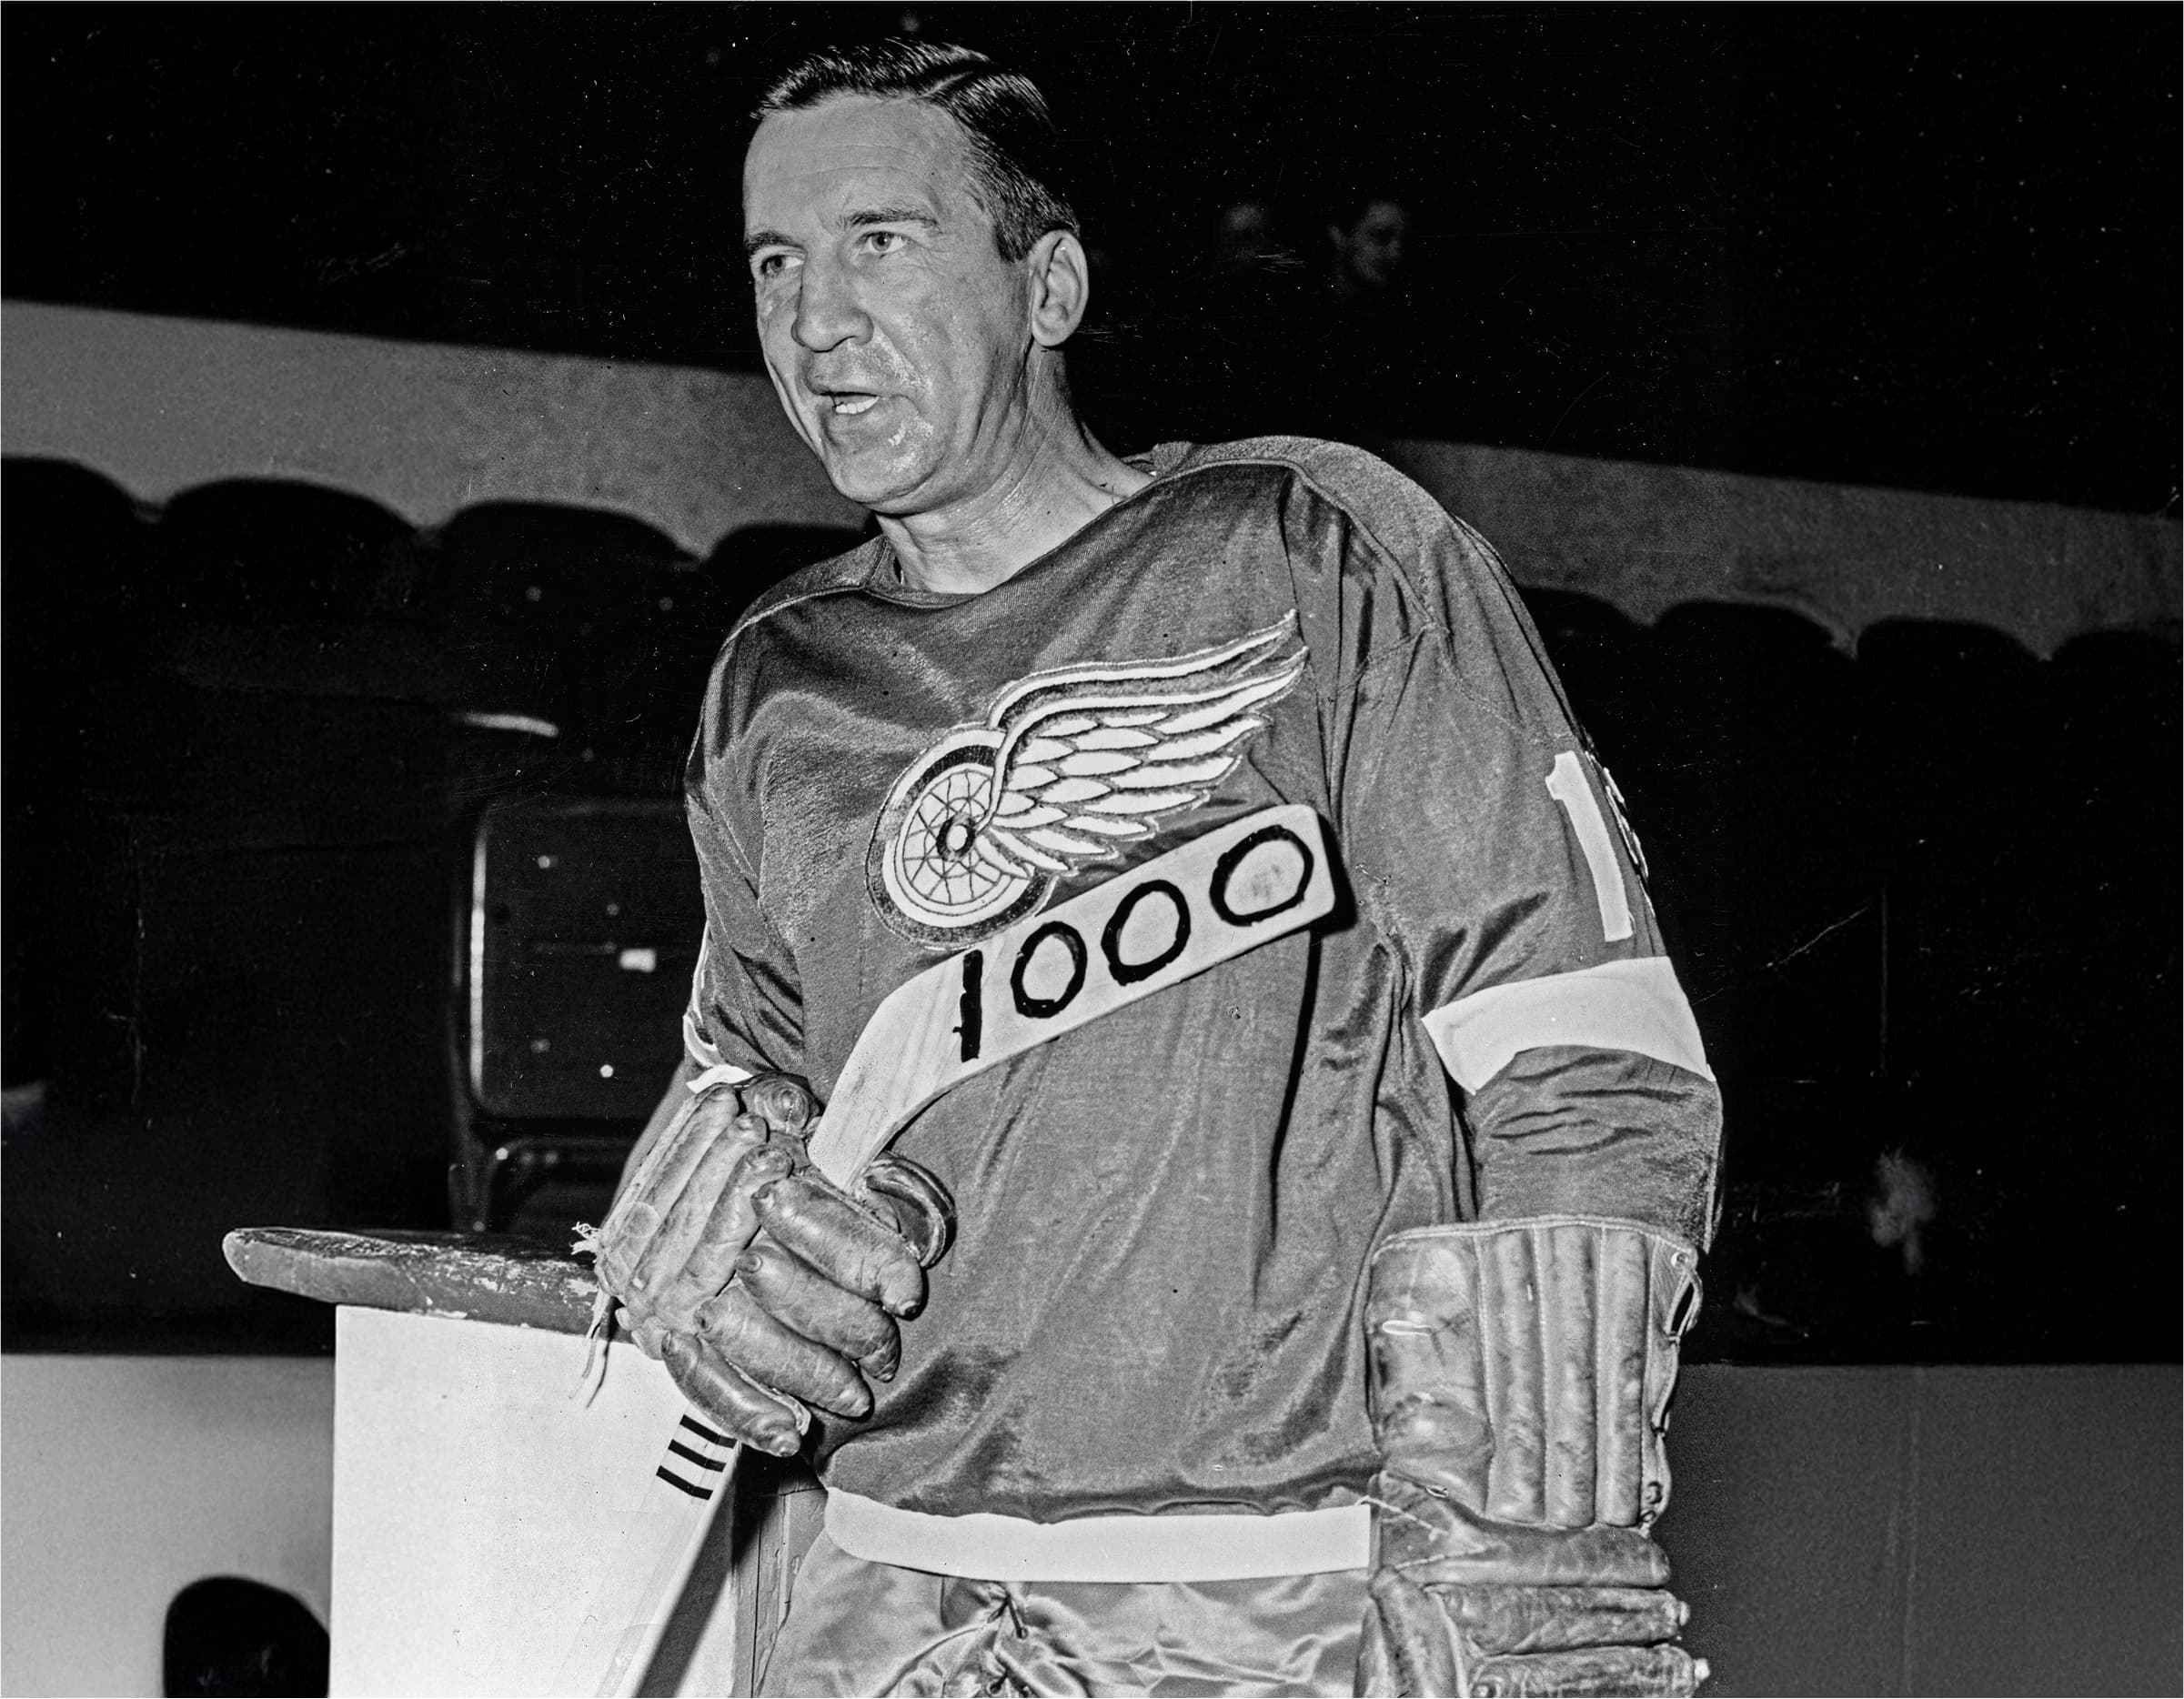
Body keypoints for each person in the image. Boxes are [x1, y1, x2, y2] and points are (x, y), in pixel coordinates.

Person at [595, 38, 1719, 1697]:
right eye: (776, 262)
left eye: (878, 244)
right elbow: (750, 1097)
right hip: (885, 1595)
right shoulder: (777, 677)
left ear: (1044, 286)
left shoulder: (1319, 547)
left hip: (1270, 1598)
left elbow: (1585, 1051)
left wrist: (1529, 1522)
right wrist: (702, 1244)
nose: (813, 320)